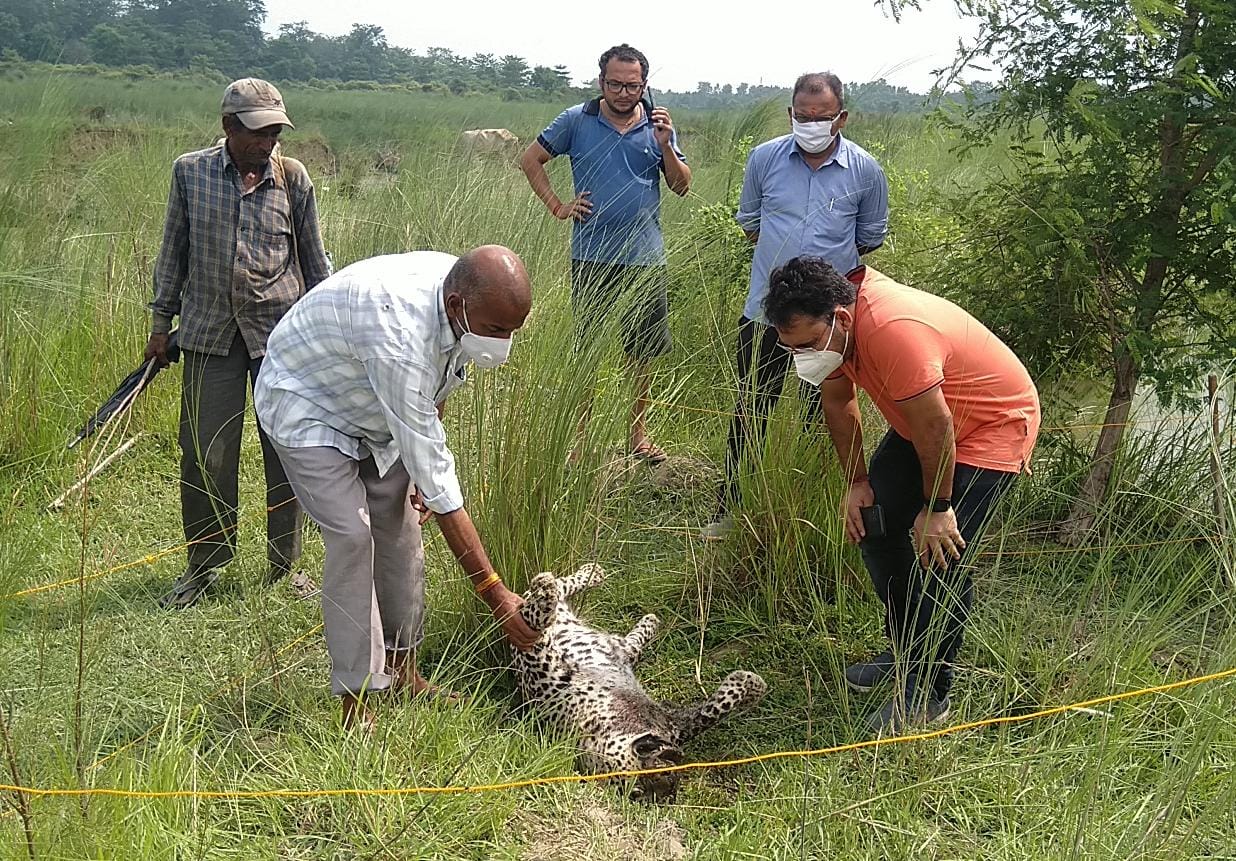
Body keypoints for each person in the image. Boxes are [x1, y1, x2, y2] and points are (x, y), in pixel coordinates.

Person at [253, 246, 540, 729]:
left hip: (369, 399)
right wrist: (495, 594)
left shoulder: (463, 291)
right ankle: (357, 700)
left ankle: (403, 671)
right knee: (352, 537)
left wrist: (423, 463)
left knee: (401, 527)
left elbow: (439, 379)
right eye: (496, 330)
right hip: (306, 401)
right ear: (457, 306)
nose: (503, 343)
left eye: (513, 331)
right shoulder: (399, 337)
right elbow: (441, 482)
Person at [762, 257, 1040, 733]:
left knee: (941, 555)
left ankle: (928, 694)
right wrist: (857, 482)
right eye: (791, 348)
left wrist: (938, 508)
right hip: (926, 424)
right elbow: (838, 402)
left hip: (990, 426)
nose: (801, 357)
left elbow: (937, 425)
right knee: (874, 523)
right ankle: (907, 650)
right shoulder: (832, 334)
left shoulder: (894, 330)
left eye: (806, 345)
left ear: (841, 319)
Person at [146, 77, 332, 609]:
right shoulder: (190, 173)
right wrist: (160, 324)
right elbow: (173, 252)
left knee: (288, 452)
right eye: (257, 132)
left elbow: (315, 263)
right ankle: (205, 565)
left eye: (275, 132)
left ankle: (285, 567)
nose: (267, 142)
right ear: (228, 125)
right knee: (205, 453)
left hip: (281, 343)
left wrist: (329, 338)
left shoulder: (293, 179)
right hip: (209, 335)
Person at [703, 72, 888, 539]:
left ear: (841, 118)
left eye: (821, 117)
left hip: (829, 323)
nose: (810, 125)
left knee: (825, 412)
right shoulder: (764, 159)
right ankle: (729, 508)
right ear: (790, 114)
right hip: (766, 312)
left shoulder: (865, 170)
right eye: (802, 117)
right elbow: (750, 223)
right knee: (751, 410)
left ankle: (809, 509)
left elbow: (868, 238)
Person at [520, 43, 690, 464]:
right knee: (588, 350)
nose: (623, 93)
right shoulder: (577, 120)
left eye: (632, 86)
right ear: (601, 82)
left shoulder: (658, 125)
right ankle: (580, 441)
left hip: (645, 258)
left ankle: (637, 435)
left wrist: (666, 146)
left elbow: (682, 186)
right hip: (592, 256)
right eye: (614, 84)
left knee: (642, 352)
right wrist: (558, 206)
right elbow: (531, 160)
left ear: (644, 85)